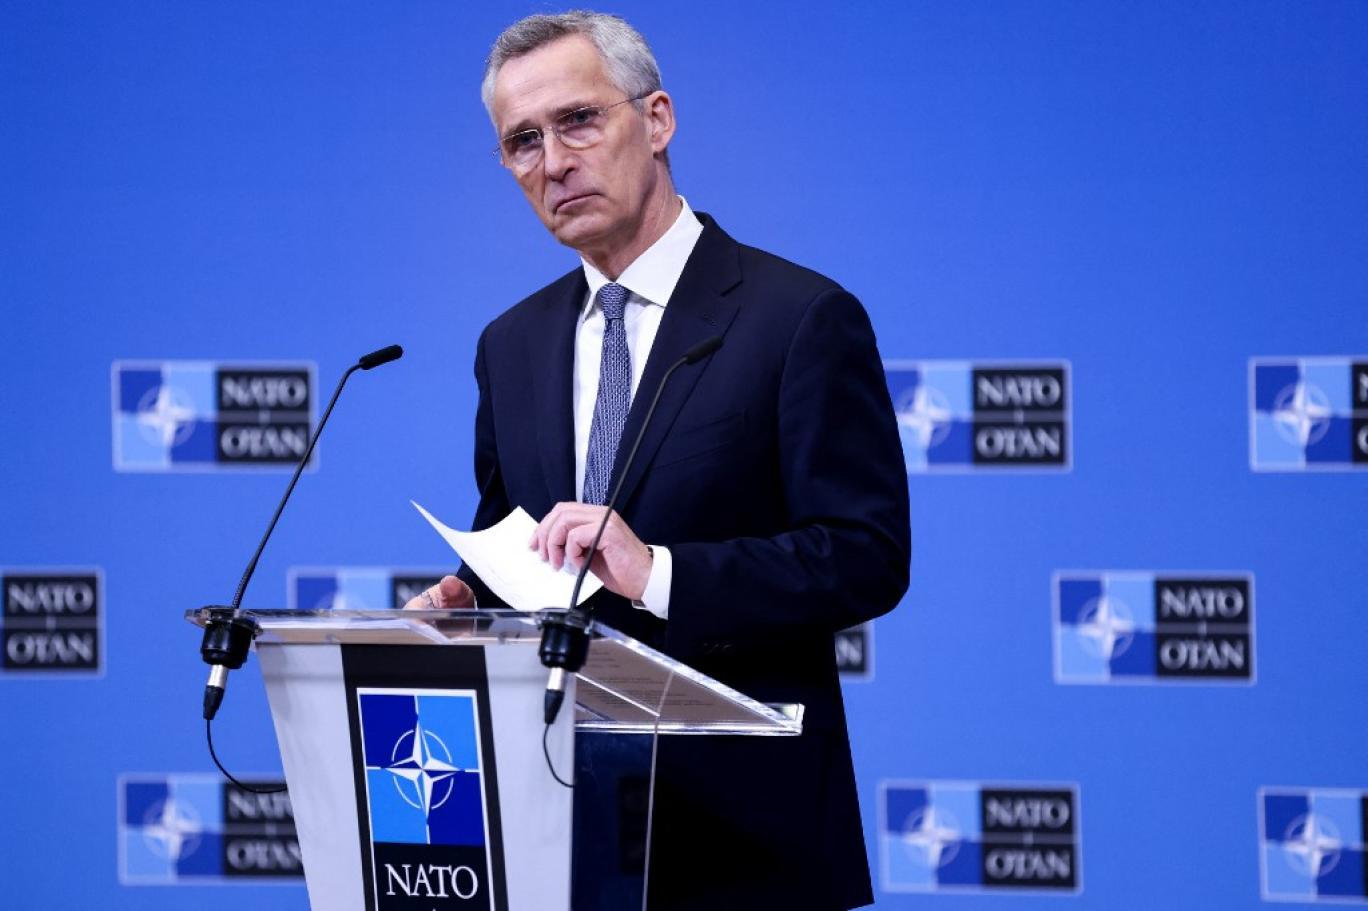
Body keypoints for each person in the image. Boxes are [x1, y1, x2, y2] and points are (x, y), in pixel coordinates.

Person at [409, 11, 910, 909]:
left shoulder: (797, 317)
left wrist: (660, 573)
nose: (553, 161)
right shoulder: (510, 343)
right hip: (554, 829)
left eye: (577, 121)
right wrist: (464, 599)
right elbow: (517, 535)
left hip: (744, 841)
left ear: (657, 119)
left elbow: (866, 553)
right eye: (523, 141)